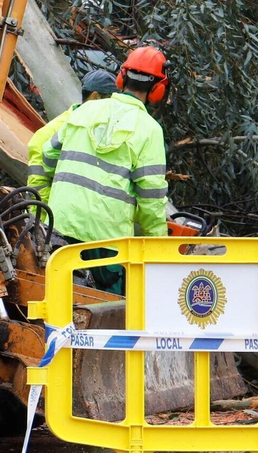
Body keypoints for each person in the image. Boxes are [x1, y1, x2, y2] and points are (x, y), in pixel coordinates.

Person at [38, 47, 171, 292]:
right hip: (107, 241)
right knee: (107, 311)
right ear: (158, 90)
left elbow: (47, 154)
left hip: (57, 227)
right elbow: (151, 199)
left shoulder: (86, 110)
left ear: (122, 77)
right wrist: (158, 246)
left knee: (50, 297)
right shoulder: (150, 130)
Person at [26, 68, 117, 195]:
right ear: (95, 97)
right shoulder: (51, 132)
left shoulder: (101, 130)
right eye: (110, 100)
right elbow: (38, 185)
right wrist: (45, 214)